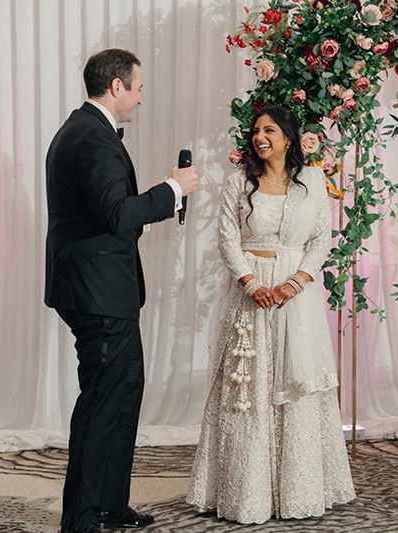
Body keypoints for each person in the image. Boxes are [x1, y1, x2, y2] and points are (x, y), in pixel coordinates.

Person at [44, 49, 198, 533]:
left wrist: (143, 212)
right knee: (103, 402)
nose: (139, 97)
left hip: (99, 288)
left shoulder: (82, 130)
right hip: (98, 293)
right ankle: (83, 518)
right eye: (137, 88)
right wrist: (172, 190)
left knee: (124, 394)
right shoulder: (92, 137)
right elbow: (115, 213)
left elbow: (103, 215)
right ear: (116, 87)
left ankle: (109, 505)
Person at [186, 106, 355, 524]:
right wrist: (251, 283)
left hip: (295, 297)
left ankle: (301, 491)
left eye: (270, 130)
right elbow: (227, 237)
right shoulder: (238, 184)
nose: (261, 137)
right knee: (250, 386)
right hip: (251, 294)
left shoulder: (313, 182)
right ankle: (247, 494)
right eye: (257, 131)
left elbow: (322, 237)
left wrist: (296, 281)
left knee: (297, 383)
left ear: (289, 137)